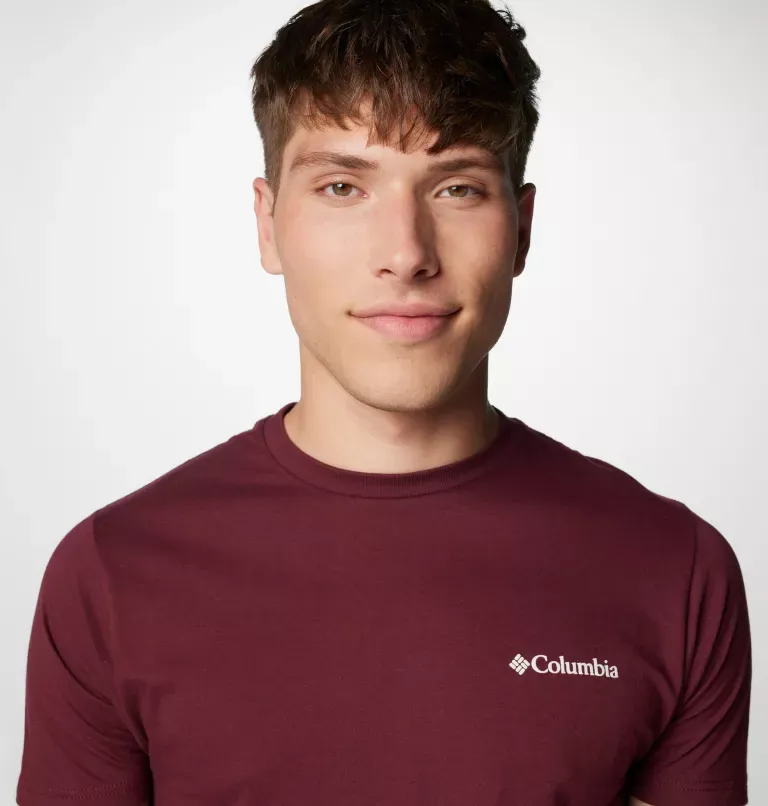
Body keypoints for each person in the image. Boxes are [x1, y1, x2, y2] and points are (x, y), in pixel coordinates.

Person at [16, 1, 751, 804]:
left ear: (522, 230)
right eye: (342, 186)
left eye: (458, 188)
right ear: (268, 224)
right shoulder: (114, 573)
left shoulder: (673, 569)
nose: (405, 253)